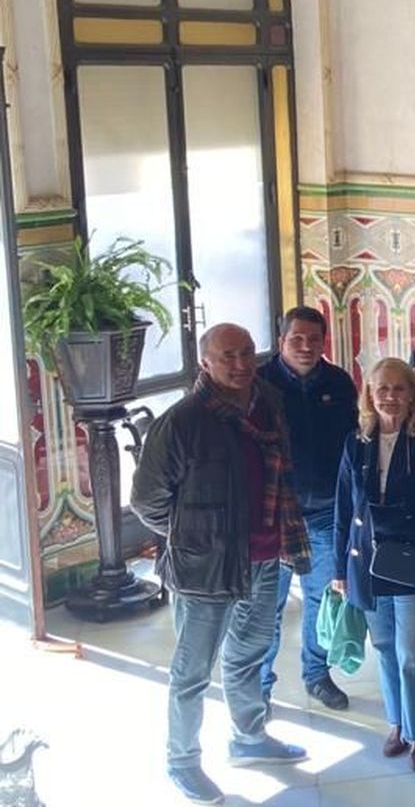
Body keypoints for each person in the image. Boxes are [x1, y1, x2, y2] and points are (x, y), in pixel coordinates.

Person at [130, 323, 311, 805]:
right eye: (227, 355)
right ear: (205, 361)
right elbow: (147, 501)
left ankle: (249, 738)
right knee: (192, 671)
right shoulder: (184, 421)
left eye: (247, 353)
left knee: (249, 653)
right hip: (205, 568)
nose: (240, 363)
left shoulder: (267, 401)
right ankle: (183, 761)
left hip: (265, 556)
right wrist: (196, 536)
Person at [331, 358, 415, 773]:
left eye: (399, 389)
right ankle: (397, 724)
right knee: (383, 646)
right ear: (369, 393)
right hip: (365, 559)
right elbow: (343, 509)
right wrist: (338, 570)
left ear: (412, 395)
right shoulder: (356, 441)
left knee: (412, 652)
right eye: (381, 388)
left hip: (412, 559)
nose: (390, 396)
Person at [256, 306, 357, 712]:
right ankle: (259, 685)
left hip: (325, 513)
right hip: (272, 515)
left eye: (314, 339)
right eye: (297, 338)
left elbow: (353, 443)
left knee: (322, 602)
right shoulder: (260, 383)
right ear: (281, 341)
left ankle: (317, 675)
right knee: (266, 607)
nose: (306, 346)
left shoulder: (338, 382)